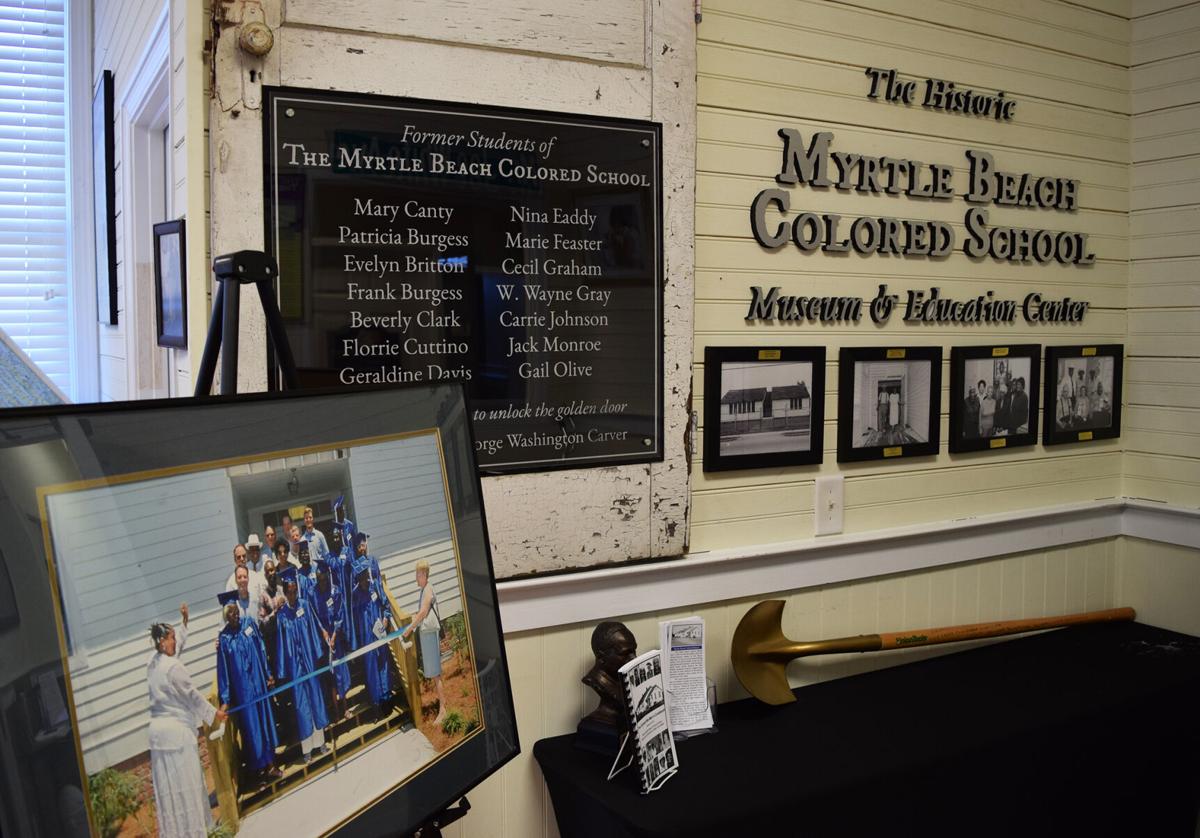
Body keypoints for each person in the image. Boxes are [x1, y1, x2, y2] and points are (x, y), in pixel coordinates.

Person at [147, 603, 227, 838]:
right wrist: (215, 714)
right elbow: (192, 696)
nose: (174, 642)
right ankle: (195, 832)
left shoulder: (152, 662)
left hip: (159, 737)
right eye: (171, 638)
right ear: (162, 641)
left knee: (171, 789)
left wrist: (183, 624)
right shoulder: (173, 668)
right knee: (187, 783)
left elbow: (175, 651)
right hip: (176, 736)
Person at [215, 592, 280, 784]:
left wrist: (268, 673)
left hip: (259, 683)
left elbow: (261, 648)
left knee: (264, 723)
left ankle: (271, 766)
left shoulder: (249, 624)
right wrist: (226, 699)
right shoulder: (224, 638)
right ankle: (259, 771)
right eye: (229, 614)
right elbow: (224, 671)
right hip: (244, 693)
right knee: (252, 729)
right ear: (225, 616)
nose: (233, 616)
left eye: (235, 611)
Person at [274, 567, 330, 763]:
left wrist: (318, 652)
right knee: (301, 705)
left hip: (309, 662)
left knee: (315, 698)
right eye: (289, 591)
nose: (292, 594)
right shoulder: (281, 616)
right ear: (284, 591)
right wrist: (282, 669)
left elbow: (315, 628)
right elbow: (280, 644)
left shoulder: (305, 605)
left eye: (294, 589)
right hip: (295, 667)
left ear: (297, 588)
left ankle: (320, 742)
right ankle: (307, 749)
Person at [401, 559, 445, 725]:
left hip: (429, 633)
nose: (416, 577)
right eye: (416, 574)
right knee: (434, 673)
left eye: (418, 574)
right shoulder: (424, 590)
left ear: (424, 574)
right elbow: (420, 612)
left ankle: (443, 710)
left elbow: (423, 613)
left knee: (435, 673)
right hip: (426, 633)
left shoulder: (428, 589)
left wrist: (410, 628)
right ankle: (441, 705)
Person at [351, 562, 394, 714]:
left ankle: (387, 698)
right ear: (357, 578)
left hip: (379, 632)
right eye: (361, 576)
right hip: (366, 636)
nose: (365, 579)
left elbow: (385, 604)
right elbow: (355, 619)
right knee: (371, 668)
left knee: (383, 663)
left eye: (366, 575)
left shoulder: (374, 586)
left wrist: (386, 618)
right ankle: (377, 703)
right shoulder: (355, 594)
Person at [313, 560, 352, 720]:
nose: (322, 583)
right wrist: (323, 633)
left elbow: (339, 615)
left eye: (324, 580)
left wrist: (334, 635)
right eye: (319, 580)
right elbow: (315, 617)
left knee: (341, 675)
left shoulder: (335, 591)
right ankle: (335, 710)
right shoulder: (314, 593)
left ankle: (345, 707)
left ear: (328, 577)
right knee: (330, 678)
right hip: (323, 642)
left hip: (336, 640)